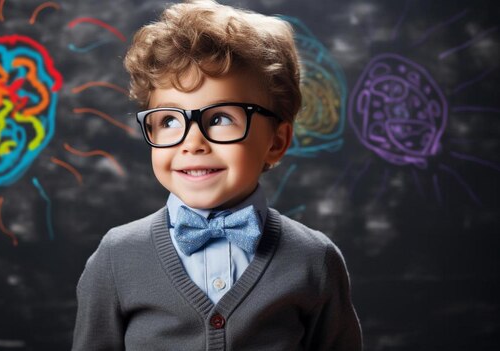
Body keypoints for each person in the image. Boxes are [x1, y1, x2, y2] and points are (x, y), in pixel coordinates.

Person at [72, 1, 362, 349]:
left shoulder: (315, 260)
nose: (193, 143)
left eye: (221, 118)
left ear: (276, 141)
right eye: (169, 120)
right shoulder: (116, 257)